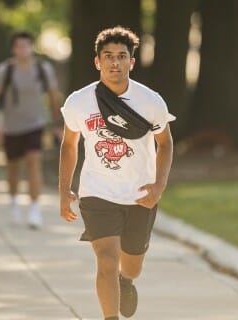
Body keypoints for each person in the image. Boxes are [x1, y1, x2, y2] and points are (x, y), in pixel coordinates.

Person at [59, 26, 175, 320]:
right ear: (97, 61)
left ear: (131, 62)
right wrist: (64, 190)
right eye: (108, 56)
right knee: (107, 260)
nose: (114, 63)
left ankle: (127, 281)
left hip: (139, 194)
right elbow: (69, 145)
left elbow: (165, 143)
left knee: (131, 264)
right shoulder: (79, 102)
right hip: (97, 192)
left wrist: (159, 186)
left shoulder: (150, 101)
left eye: (121, 56)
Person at [0, 31, 61, 229]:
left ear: (32, 47)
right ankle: (13, 203)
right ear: (13, 49)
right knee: (13, 170)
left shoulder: (43, 69)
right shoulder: (5, 70)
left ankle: (34, 209)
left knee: (34, 163)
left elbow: (53, 96)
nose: (23, 50)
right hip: (11, 127)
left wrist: (57, 123)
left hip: (35, 125)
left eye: (26, 45)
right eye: (19, 46)